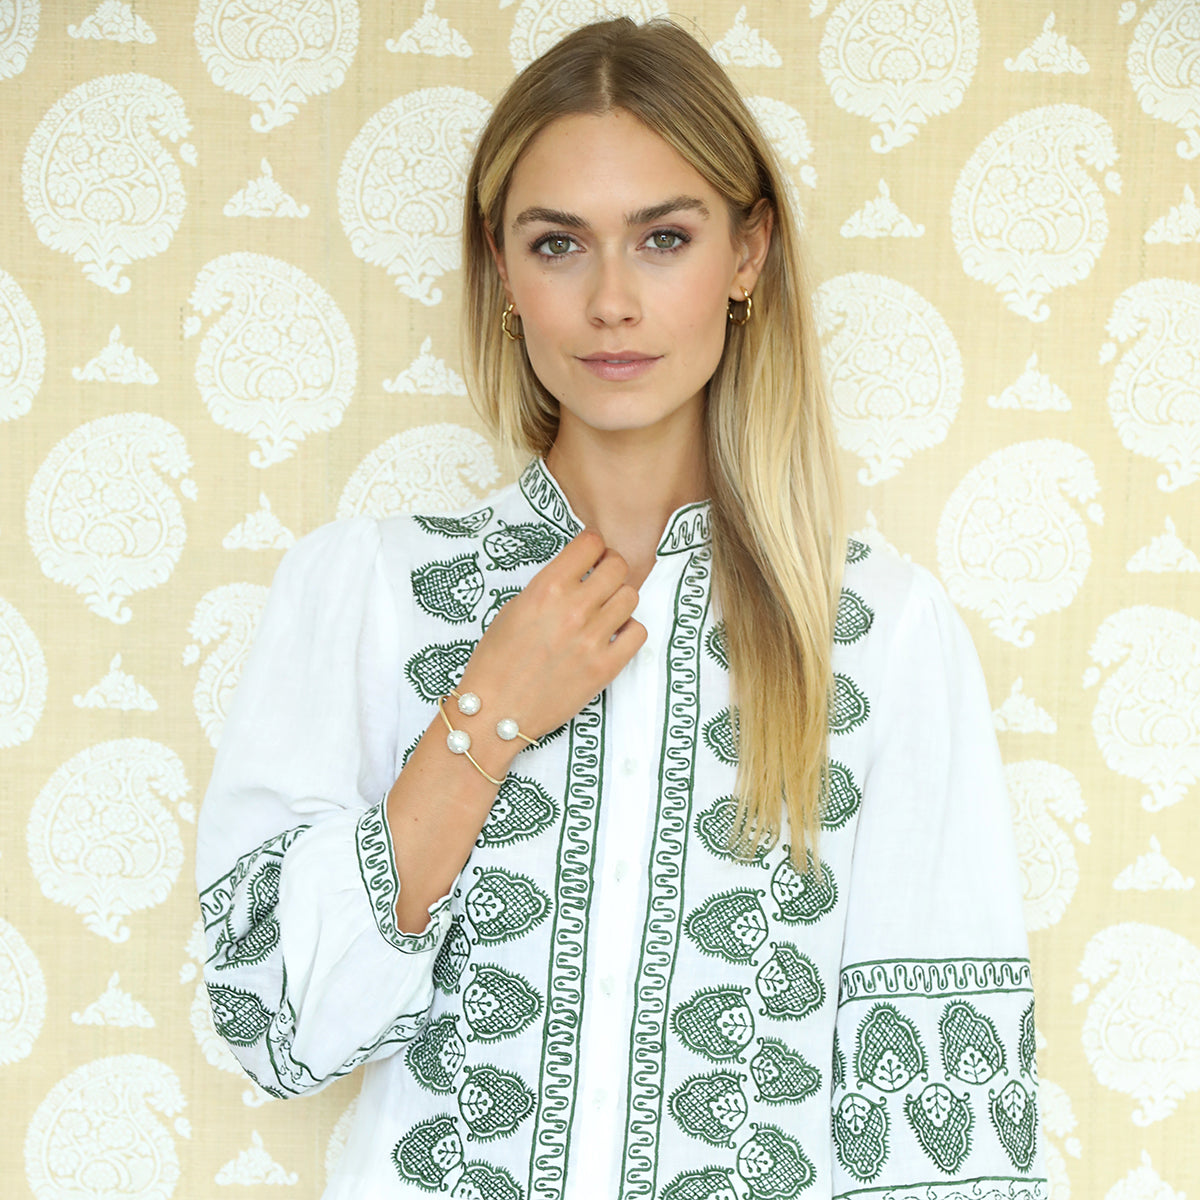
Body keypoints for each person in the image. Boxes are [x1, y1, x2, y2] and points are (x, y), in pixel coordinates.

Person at [196, 17, 1047, 1200]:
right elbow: (271, 1029)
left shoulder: (876, 632)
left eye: (663, 239)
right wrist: (483, 717)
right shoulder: (366, 593)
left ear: (748, 255)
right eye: (558, 244)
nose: (611, 301)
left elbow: (942, 1136)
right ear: (502, 269)